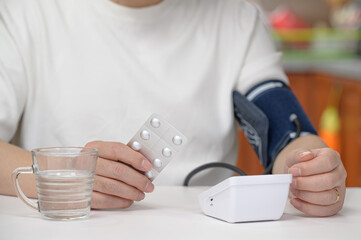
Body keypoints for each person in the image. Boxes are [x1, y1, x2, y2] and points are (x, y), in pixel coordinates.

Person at [0, 0, 346, 216]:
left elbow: (288, 134)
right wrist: (63, 178)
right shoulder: (22, 13)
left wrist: (312, 170)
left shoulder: (236, 17)